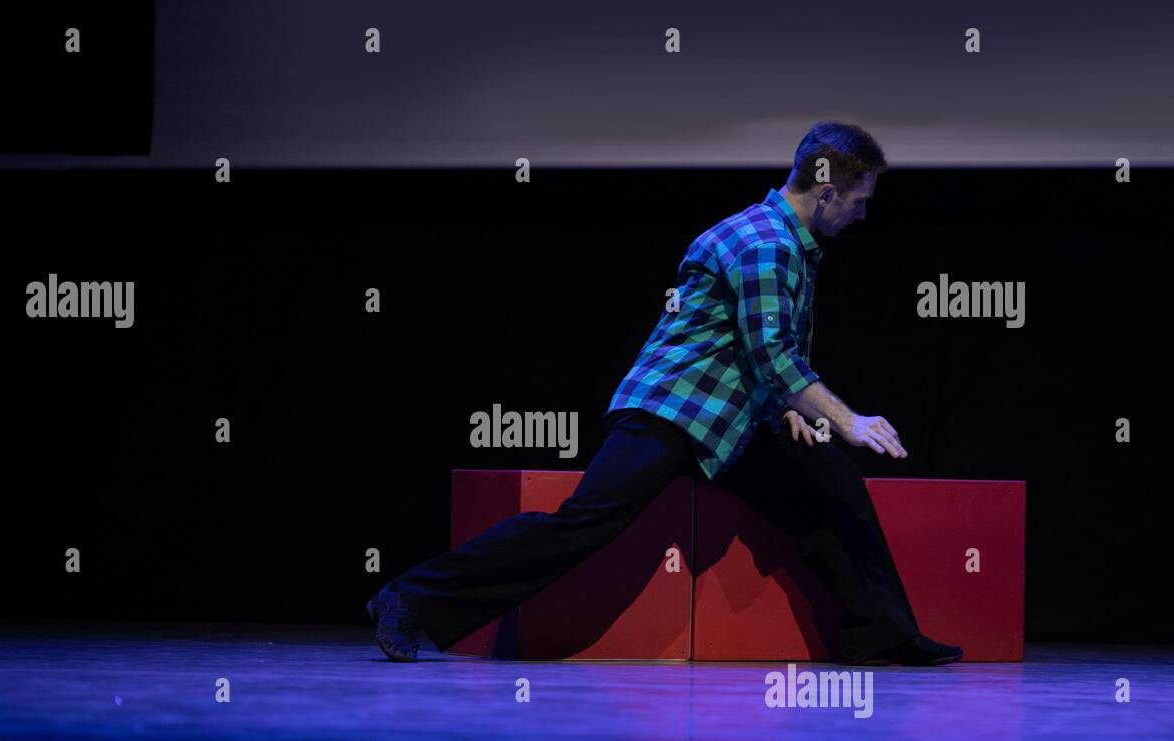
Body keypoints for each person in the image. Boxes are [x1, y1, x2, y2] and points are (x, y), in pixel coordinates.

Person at [366, 120, 963, 667]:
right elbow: (772, 355)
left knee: (830, 483)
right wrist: (848, 419)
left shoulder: (785, 241)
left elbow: (752, 345)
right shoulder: (767, 244)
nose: (862, 215)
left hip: (728, 425)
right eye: (860, 201)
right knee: (582, 525)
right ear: (828, 192)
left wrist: (786, 408)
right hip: (671, 413)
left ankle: (883, 635)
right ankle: (409, 600)